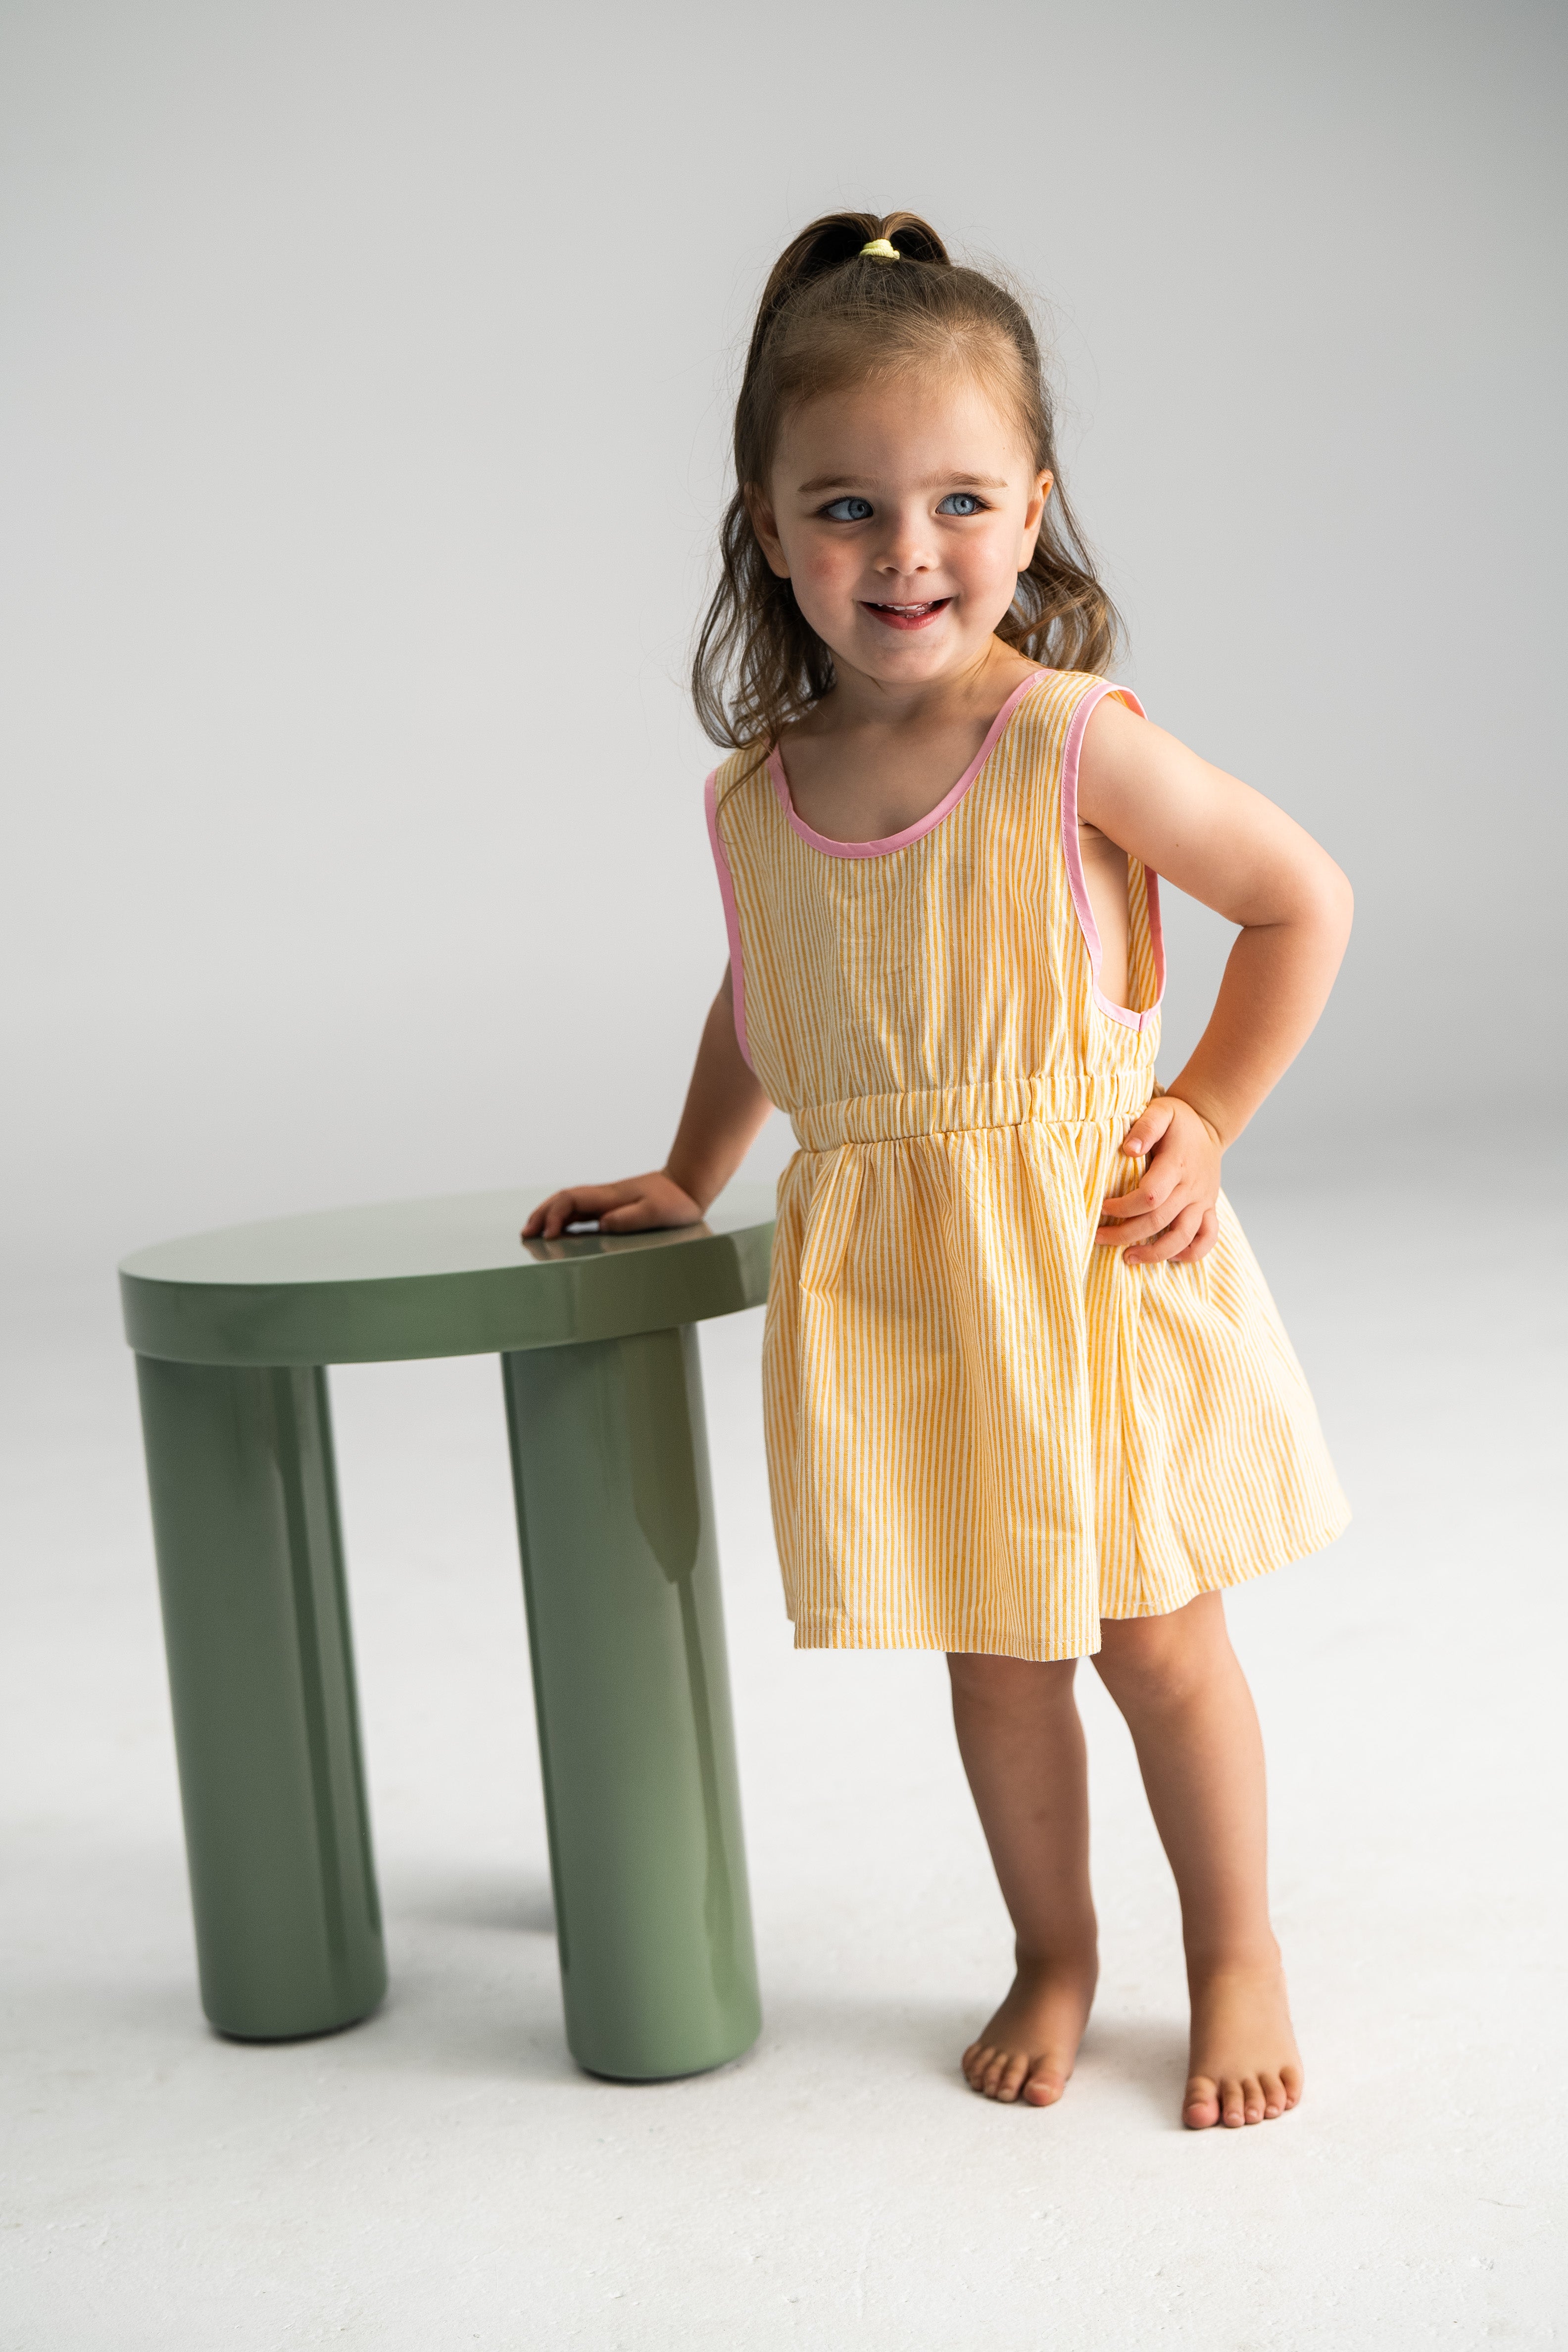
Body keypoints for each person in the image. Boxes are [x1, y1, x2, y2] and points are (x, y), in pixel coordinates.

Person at [525, 211, 1352, 2131]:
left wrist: (1209, 1112)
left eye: (960, 501)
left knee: (1155, 1638)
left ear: (1035, 507)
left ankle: (1234, 1942)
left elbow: (1299, 903)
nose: (908, 555)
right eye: (846, 509)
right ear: (763, 522)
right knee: (998, 1662)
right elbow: (769, 995)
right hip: (915, 1298)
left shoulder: (1067, 746)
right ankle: (1053, 1948)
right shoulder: (759, 795)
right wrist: (685, 1170)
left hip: (1081, 1265)